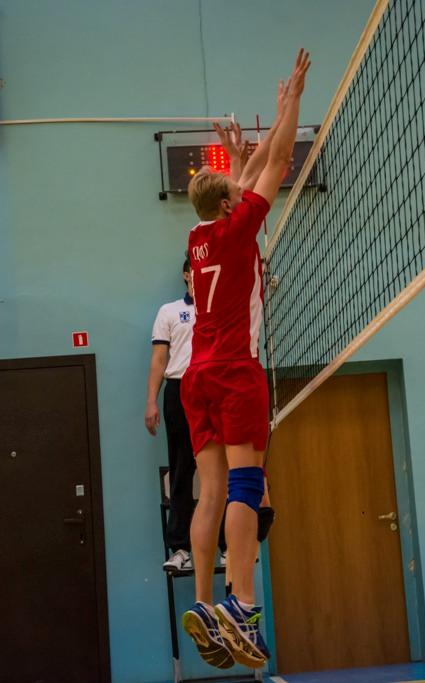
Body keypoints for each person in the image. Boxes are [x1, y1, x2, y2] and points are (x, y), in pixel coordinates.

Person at [178, 50, 309, 669]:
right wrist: (290, 106)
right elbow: (278, 163)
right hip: (234, 371)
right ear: (232, 205)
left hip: (195, 376)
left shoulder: (200, 236)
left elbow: (243, 182)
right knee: (246, 487)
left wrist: (235, 159)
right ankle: (244, 606)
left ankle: (205, 603)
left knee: (208, 493)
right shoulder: (236, 230)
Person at [146, 258, 199, 573]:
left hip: (213, 388)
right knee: (181, 469)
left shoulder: (219, 308)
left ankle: (226, 546)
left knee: (221, 470)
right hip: (179, 389)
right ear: (186, 274)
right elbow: (159, 359)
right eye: (195, 270)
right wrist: (151, 401)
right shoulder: (169, 311)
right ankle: (180, 548)